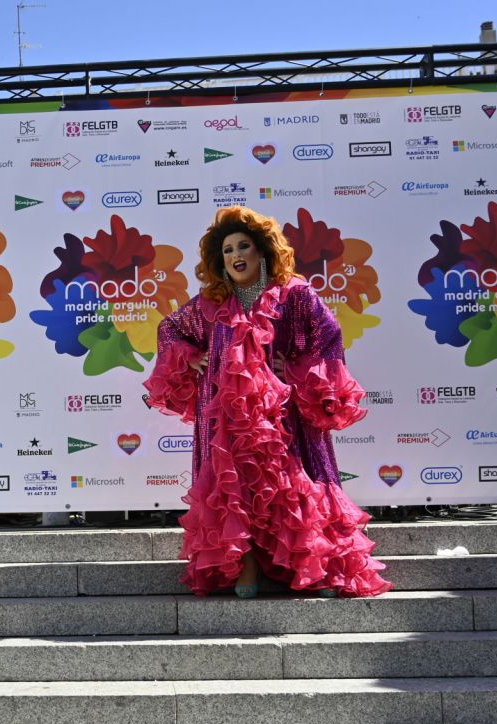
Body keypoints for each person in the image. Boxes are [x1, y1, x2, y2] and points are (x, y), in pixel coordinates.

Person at [144, 206, 389, 599]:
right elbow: (169, 328)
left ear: (262, 251)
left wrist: (294, 368)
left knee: (293, 485)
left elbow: (329, 340)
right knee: (235, 485)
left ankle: (315, 565)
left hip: (283, 414)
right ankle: (247, 565)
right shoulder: (211, 303)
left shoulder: (295, 295)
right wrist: (191, 356)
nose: (235, 255)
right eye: (227, 250)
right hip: (228, 418)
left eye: (243, 246)